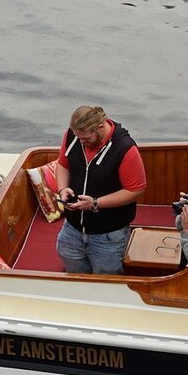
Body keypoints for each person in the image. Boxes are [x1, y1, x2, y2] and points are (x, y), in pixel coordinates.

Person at [55, 106, 146, 274]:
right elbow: (62, 164)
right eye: (78, 137)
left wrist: (96, 203)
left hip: (108, 235)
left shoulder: (125, 148)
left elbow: (136, 190)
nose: (81, 142)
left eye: (86, 138)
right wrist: (62, 189)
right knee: (72, 270)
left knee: (106, 280)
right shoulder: (72, 136)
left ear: (100, 127)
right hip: (72, 228)